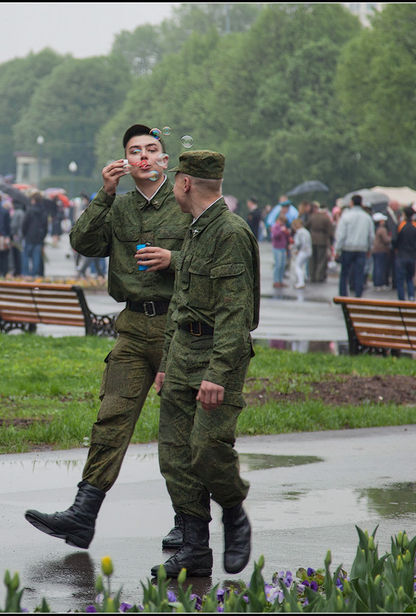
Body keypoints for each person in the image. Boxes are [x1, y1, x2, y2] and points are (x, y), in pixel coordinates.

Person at [24, 124, 191, 551]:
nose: (143, 156)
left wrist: (175, 258)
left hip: (179, 327)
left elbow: (217, 255)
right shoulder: (118, 207)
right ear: (124, 162)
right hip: (133, 326)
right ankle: (82, 517)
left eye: (152, 149)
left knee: (181, 430)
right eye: (134, 151)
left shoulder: (187, 204)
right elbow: (81, 242)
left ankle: (188, 523)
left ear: (165, 161)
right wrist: (104, 192)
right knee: (110, 418)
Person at [151, 150, 259, 580]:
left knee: (208, 450)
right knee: (175, 456)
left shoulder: (229, 232)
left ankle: (234, 511)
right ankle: (195, 548)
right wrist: (165, 361)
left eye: (175, 180)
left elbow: (236, 314)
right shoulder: (196, 230)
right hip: (181, 355)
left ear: (184, 184)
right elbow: (181, 300)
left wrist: (217, 373)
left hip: (218, 355)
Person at [334, 195, 374, 297]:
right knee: (359, 273)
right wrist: (369, 248)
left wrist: (337, 250)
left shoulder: (346, 216)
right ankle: (358, 294)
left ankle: (343, 294)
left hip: (347, 247)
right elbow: (371, 235)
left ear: (351, 203)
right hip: (361, 248)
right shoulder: (367, 217)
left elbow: (341, 235)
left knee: (344, 273)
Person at [392, 207, 416, 301]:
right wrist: (415, 247)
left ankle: (401, 298)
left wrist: (396, 248)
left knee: (400, 279)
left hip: (401, 254)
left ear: (404, 214)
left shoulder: (401, 225)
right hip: (412, 255)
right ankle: (411, 296)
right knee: (410, 278)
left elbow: (394, 239)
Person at [21, 193, 48, 277]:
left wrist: (24, 234)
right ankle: (34, 274)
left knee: (26, 256)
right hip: (39, 237)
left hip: (29, 236)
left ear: (34, 200)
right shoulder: (44, 211)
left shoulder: (29, 210)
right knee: (36, 257)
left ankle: (26, 273)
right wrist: (43, 236)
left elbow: (24, 224)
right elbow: (46, 226)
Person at [307, 202, 334, 283]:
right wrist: (331, 241)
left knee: (312, 259)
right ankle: (319, 276)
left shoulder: (312, 216)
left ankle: (312, 276)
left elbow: (306, 226)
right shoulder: (326, 218)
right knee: (321, 259)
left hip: (312, 239)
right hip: (322, 239)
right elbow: (330, 231)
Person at [371, 213, 391, 290]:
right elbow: (386, 240)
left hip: (375, 250)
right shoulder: (382, 229)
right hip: (381, 250)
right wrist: (390, 238)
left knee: (376, 267)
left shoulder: (375, 229)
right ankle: (380, 283)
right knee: (380, 267)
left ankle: (376, 282)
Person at [291, 217, 312, 289]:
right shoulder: (306, 231)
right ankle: (303, 279)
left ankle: (301, 282)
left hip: (303, 251)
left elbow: (298, 243)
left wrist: (295, 249)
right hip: (308, 251)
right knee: (302, 266)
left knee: (297, 266)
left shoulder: (299, 232)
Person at [270, 213, 290, 288]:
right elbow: (275, 236)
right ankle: (276, 281)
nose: (283, 223)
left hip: (283, 247)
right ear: (279, 220)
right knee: (278, 265)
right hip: (277, 248)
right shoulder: (275, 226)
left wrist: (286, 232)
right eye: (282, 222)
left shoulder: (283, 226)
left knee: (282, 265)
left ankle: (280, 281)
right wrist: (281, 231)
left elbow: (287, 236)